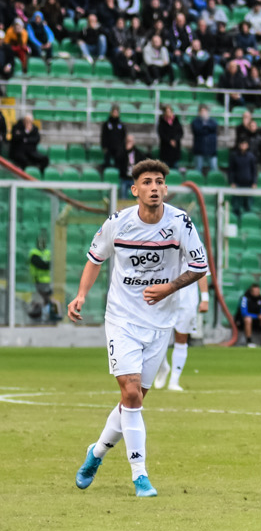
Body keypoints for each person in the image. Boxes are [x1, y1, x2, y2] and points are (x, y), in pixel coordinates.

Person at [70, 159, 208, 498]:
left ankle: (97, 452)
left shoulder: (180, 222)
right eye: (147, 182)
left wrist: (169, 287)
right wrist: (81, 295)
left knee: (133, 400)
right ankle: (140, 475)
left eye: (159, 181)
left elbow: (200, 266)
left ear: (165, 188)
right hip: (122, 319)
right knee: (130, 393)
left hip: (161, 323)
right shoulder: (118, 223)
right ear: (135, 190)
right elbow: (94, 258)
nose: (154, 187)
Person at [152, 272, 210, 391]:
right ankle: (162, 367)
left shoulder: (198, 252)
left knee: (182, 338)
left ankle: (174, 381)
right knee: (157, 337)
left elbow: (202, 272)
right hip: (164, 298)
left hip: (187, 301)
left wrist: (205, 299)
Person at [29, 233, 61, 322]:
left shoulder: (48, 252)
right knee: (43, 299)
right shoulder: (34, 253)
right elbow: (41, 264)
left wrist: (47, 264)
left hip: (47, 281)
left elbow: (53, 264)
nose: (41, 244)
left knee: (47, 298)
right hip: (37, 280)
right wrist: (46, 264)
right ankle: (44, 315)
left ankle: (54, 314)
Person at [228, 139, 258, 217]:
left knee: (248, 205)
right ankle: (236, 220)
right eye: (242, 144)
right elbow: (231, 170)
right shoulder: (234, 156)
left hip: (248, 184)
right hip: (237, 183)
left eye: (245, 144)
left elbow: (254, 171)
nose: (243, 146)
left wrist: (254, 182)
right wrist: (232, 182)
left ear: (247, 145)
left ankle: (247, 221)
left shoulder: (251, 156)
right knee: (236, 205)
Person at [101, 105, 128, 172]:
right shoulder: (106, 124)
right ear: (111, 113)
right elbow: (103, 136)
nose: (115, 114)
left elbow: (124, 136)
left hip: (118, 148)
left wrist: (122, 147)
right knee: (107, 164)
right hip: (108, 147)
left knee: (118, 165)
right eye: (114, 112)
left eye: (116, 112)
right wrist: (104, 146)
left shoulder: (121, 124)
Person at [157, 105, 184, 172]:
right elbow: (161, 134)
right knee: (165, 169)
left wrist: (175, 140)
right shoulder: (162, 122)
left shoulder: (176, 121)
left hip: (175, 149)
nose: (169, 113)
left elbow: (180, 133)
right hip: (165, 149)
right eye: (167, 111)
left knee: (175, 167)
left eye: (170, 111)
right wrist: (169, 141)